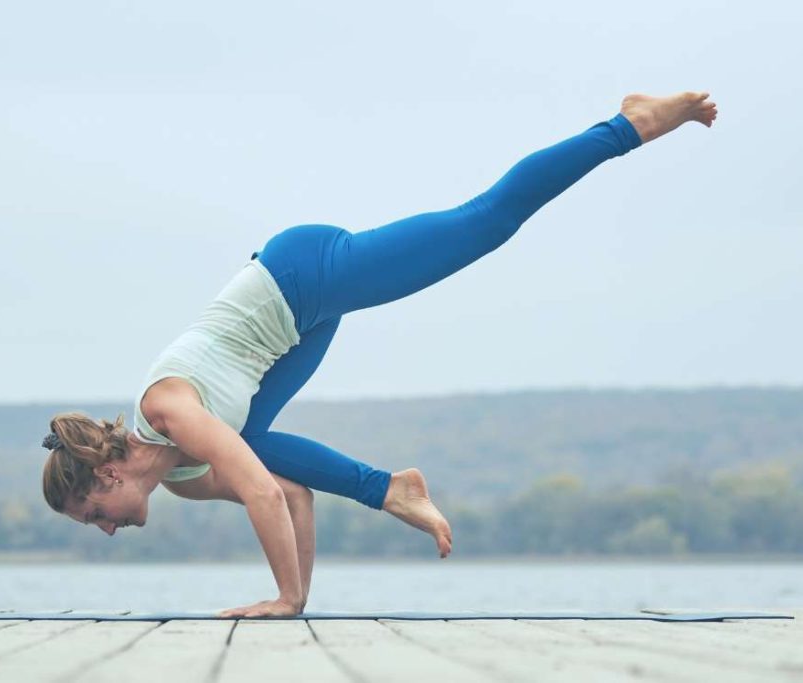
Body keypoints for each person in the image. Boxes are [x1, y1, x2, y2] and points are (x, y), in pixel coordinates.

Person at [40, 91, 719, 618]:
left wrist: (279, 596)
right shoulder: (183, 478)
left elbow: (257, 493)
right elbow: (289, 493)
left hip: (301, 274)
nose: (104, 530)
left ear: (104, 479)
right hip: (296, 332)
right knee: (253, 444)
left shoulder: (167, 409)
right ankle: (394, 488)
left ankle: (627, 125)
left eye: (95, 514)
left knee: (482, 222)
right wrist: (295, 601)